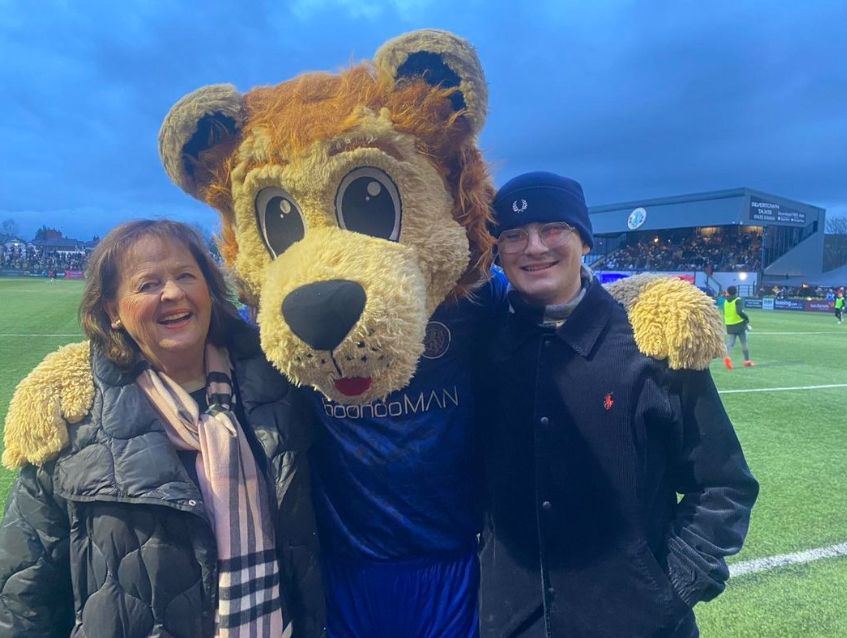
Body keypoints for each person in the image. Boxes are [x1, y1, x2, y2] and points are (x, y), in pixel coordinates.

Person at [0, 220, 323, 637]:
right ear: (113, 312)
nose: (173, 293)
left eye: (186, 275)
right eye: (147, 284)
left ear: (209, 289)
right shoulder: (70, 413)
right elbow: (24, 588)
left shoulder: (279, 387)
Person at [477, 172, 759, 638]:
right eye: (514, 235)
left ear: (583, 241)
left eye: (553, 229)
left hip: (636, 624)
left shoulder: (651, 344)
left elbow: (724, 486)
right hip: (510, 621)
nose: (533, 247)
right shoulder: (486, 346)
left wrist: (669, 589)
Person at [723, 285, 754, 368]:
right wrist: (746, 318)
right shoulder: (738, 300)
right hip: (739, 325)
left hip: (730, 325)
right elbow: (739, 312)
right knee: (744, 343)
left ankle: (727, 359)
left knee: (730, 344)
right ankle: (747, 361)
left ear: (728, 292)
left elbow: (725, 313)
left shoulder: (726, 301)